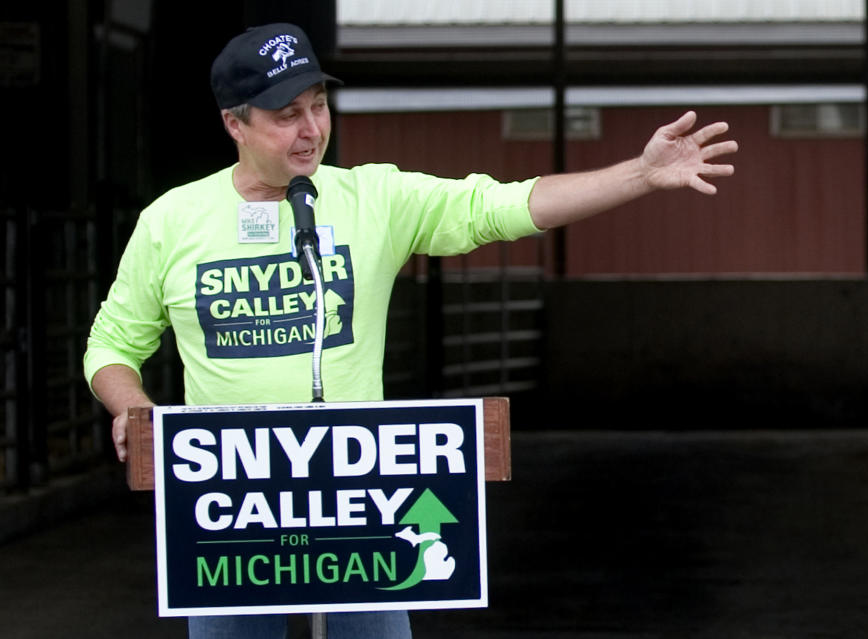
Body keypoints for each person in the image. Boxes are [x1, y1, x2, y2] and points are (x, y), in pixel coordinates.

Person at [84, 22, 737, 639]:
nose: (311, 129)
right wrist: (134, 409)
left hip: (360, 505)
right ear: (234, 123)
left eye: (317, 106)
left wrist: (639, 175)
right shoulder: (173, 220)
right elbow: (113, 344)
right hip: (231, 512)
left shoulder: (373, 199)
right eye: (286, 116)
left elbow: (500, 207)